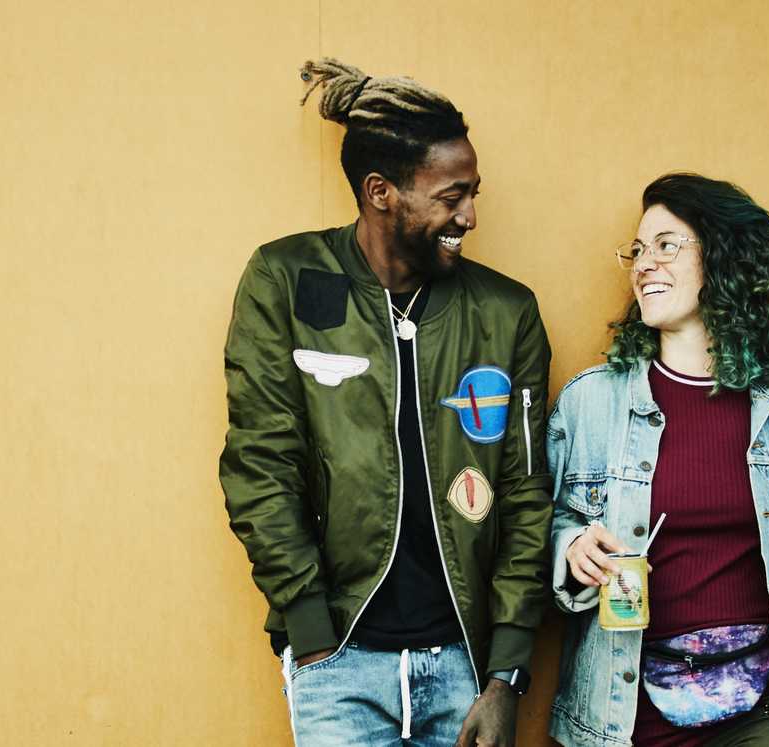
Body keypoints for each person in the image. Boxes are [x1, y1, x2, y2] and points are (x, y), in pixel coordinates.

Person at [219, 58, 553, 746]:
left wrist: (506, 674)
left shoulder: (505, 312)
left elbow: (525, 496)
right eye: (451, 196)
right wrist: (311, 629)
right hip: (338, 663)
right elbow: (261, 466)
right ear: (381, 192)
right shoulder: (286, 281)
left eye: (473, 192)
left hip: (464, 667)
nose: (470, 214)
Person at [546, 173, 769, 747]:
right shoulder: (589, 402)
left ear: (724, 258)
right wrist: (570, 549)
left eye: (667, 245)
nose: (644, 263)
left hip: (767, 702)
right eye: (638, 249)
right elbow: (545, 524)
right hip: (627, 704)